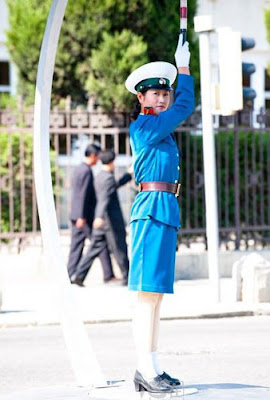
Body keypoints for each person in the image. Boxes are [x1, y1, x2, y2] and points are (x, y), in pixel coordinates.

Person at [125, 33, 195, 393]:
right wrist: (183, 68)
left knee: (156, 296)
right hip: (151, 210)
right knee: (146, 295)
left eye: (166, 92)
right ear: (141, 98)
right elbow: (185, 108)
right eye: (155, 93)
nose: (163, 97)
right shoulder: (146, 126)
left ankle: (151, 366)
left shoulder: (161, 133)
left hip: (164, 210)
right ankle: (143, 368)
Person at [71, 149, 132, 286]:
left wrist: (128, 175)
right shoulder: (108, 178)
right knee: (120, 248)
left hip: (102, 222)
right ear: (112, 162)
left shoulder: (99, 176)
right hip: (110, 221)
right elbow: (104, 198)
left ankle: (79, 276)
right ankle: (128, 277)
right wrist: (98, 216)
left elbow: (113, 187)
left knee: (93, 249)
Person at [67, 143, 113, 284]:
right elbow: (82, 194)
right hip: (83, 216)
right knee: (97, 243)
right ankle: (106, 275)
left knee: (79, 246)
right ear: (92, 156)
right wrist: (81, 216)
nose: (98, 160)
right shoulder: (85, 171)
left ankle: (70, 275)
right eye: (97, 157)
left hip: (79, 214)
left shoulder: (80, 168)